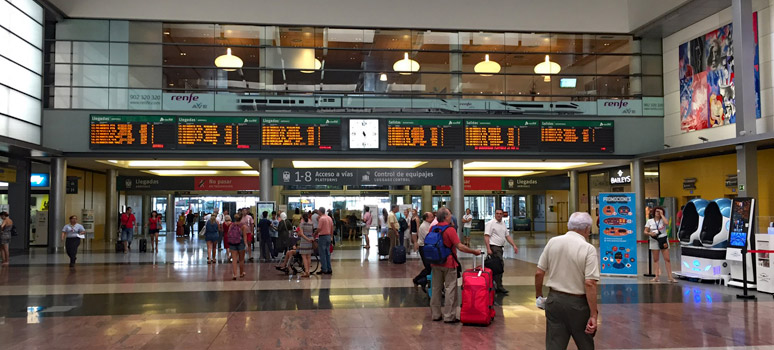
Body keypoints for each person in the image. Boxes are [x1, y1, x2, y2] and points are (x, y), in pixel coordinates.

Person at [534, 212, 600, 350]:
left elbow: (539, 273)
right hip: (578, 304)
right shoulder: (588, 249)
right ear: (587, 229)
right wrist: (594, 314)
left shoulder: (553, 242)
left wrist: (539, 295)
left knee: (554, 344)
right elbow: (590, 283)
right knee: (585, 343)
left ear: (568, 225)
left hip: (554, 300)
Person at [430, 207, 481, 323]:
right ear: (446, 217)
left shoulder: (433, 228)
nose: (451, 216)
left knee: (436, 288)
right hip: (448, 262)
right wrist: (474, 252)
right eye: (449, 214)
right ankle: (449, 316)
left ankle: (436, 314)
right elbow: (460, 246)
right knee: (450, 289)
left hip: (435, 262)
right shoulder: (449, 230)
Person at [484, 209, 519, 295]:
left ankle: (497, 285)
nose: (499, 215)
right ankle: (498, 286)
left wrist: (513, 245)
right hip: (494, 248)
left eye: (500, 214)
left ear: (503, 215)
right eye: (497, 213)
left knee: (498, 267)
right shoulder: (490, 223)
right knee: (498, 267)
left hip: (500, 248)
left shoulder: (503, 224)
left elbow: (507, 236)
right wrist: (488, 248)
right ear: (494, 214)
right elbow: (486, 236)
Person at [645, 206, 676, 283]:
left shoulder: (663, 220)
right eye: (656, 211)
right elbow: (645, 231)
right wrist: (649, 233)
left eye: (659, 212)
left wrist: (662, 215)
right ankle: (656, 276)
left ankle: (670, 276)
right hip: (654, 240)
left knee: (667, 259)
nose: (657, 213)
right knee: (656, 259)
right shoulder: (650, 221)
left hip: (663, 240)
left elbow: (667, 223)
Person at [413, 211, 435, 291]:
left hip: (427, 248)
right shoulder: (423, 226)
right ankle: (417, 280)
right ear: (427, 218)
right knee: (428, 267)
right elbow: (428, 237)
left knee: (430, 267)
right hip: (423, 248)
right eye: (431, 216)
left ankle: (422, 281)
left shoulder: (429, 225)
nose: (433, 218)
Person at [228, 213, 248, 279]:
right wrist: (246, 244)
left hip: (232, 243)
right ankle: (241, 273)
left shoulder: (231, 225)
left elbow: (228, 233)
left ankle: (234, 274)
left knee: (234, 259)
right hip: (241, 243)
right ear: (241, 218)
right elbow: (245, 236)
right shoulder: (243, 226)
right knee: (241, 260)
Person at [316, 206, 334, 275]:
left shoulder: (321, 218)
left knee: (322, 253)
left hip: (322, 237)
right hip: (328, 236)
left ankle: (324, 269)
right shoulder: (329, 218)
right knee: (327, 253)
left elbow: (319, 228)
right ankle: (329, 268)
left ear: (320, 211)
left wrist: (314, 234)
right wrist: (331, 237)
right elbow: (332, 228)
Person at [297, 212, 315, 277]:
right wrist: (310, 239)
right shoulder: (311, 223)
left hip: (304, 241)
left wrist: (307, 239)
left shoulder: (302, 223)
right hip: (310, 240)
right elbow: (312, 232)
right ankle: (309, 271)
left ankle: (306, 271)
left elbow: (301, 234)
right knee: (309, 257)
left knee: (304, 257)